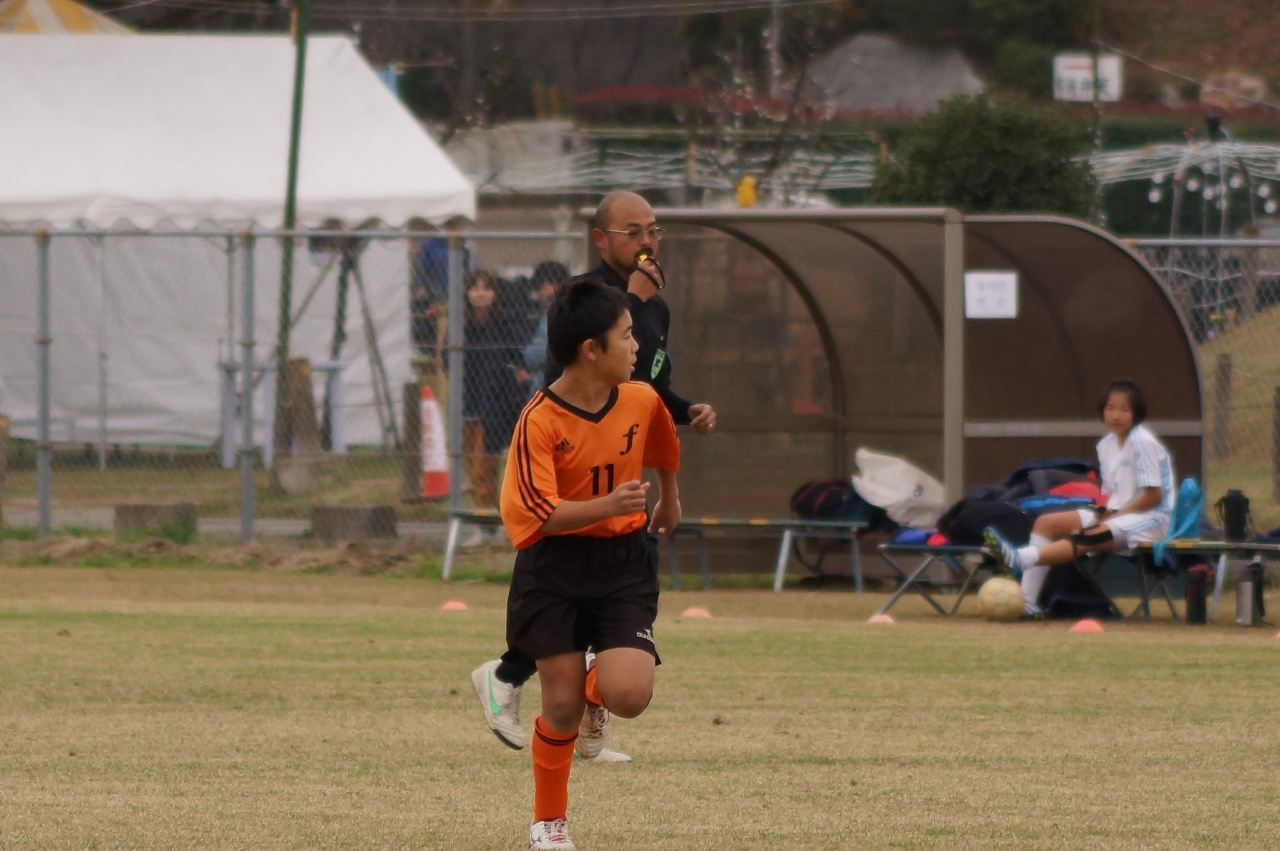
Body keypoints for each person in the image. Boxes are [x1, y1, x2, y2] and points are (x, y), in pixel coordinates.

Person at [471, 191, 715, 759]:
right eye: (634, 231)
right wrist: (633, 301)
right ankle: (518, 684)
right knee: (563, 643)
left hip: (618, 524)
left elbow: (647, 387)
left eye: (654, 230)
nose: (648, 241)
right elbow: (567, 376)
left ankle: (579, 701)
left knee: (618, 669)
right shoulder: (585, 298)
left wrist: (687, 411)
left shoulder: (653, 309)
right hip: (571, 496)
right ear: (601, 239)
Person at [499, 278, 681, 850]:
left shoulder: (640, 398)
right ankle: (548, 823)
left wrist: (669, 497)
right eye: (626, 336)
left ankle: (596, 686)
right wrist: (608, 504)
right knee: (560, 704)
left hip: (622, 560)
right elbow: (537, 515)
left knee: (630, 696)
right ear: (590, 350)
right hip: (552, 566)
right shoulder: (539, 420)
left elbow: (662, 444)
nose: (636, 346)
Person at [984, 380, 1176, 617]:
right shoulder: (1105, 445)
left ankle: (1021, 558)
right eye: (1110, 408)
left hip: (1151, 520)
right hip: (1118, 516)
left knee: (1086, 536)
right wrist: (1104, 511)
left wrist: (1116, 515)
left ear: (1136, 413)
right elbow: (1111, 493)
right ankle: (1028, 603)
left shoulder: (1143, 442)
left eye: (1124, 409)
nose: (1116, 415)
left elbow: (1154, 496)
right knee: (1047, 523)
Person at [461, 269, 528, 524]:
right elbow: (447, 359)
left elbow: (516, 360)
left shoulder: (503, 325)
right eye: (475, 288)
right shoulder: (461, 326)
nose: (481, 294)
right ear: (467, 293)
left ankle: (491, 520)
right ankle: (487, 516)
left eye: (486, 289)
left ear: (495, 293)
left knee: (485, 465)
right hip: (467, 402)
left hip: (494, 406)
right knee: (472, 466)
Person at [522, 260, 571, 400]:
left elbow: (538, 354)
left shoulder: (561, 312)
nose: (545, 291)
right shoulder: (530, 311)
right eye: (542, 287)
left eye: (550, 286)